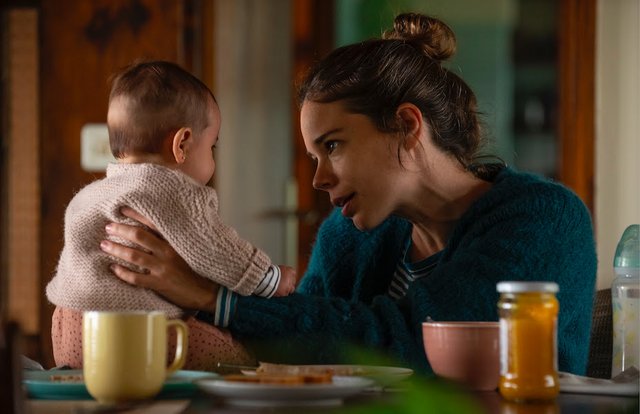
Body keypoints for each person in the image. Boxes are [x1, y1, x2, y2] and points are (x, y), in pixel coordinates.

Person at [98, 14, 597, 375]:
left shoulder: (542, 218)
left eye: (332, 146)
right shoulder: (346, 233)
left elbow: (412, 343)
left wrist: (209, 295)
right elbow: (304, 343)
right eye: (314, 156)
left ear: (405, 125)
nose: (318, 179)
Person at [46, 60, 296, 368]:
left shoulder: (89, 196)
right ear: (182, 144)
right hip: (132, 330)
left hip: (67, 330)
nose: (213, 159)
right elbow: (216, 249)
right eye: (212, 147)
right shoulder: (171, 191)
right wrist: (268, 278)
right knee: (238, 358)